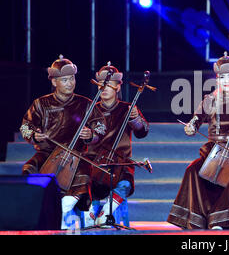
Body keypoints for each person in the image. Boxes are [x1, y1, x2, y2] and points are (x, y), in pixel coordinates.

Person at [167, 54, 229, 229]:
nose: (226, 81)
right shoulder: (209, 100)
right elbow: (195, 121)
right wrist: (190, 127)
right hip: (213, 151)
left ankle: (222, 219)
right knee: (192, 170)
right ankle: (195, 219)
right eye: (222, 77)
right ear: (217, 79)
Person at [19, 55, 106, 229]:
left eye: (72, 78)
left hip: (76, 155)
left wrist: (90, 134)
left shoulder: (86, 104)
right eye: (64, 80)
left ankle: (64, 209)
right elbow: (25, 127)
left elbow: (101, 127)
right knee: (29, 169)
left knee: (83, 174)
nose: (70, 83)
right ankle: (35, 212)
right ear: (54, 82)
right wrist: (35, 136)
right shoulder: (41, 104)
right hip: (47, 154)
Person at [84, 65, 149, 227]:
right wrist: (87, 136)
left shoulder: (127, 108)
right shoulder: (91, 109)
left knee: (125, 184)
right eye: (101, 84)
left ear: (118, 86)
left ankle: (106, 213)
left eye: (109, 85)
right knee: (82, 181)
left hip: (119, 163)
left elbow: (142, 131)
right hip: (94, 162)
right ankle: (92, 213)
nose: (104, 89)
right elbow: (83, 138)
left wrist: (135, 119)